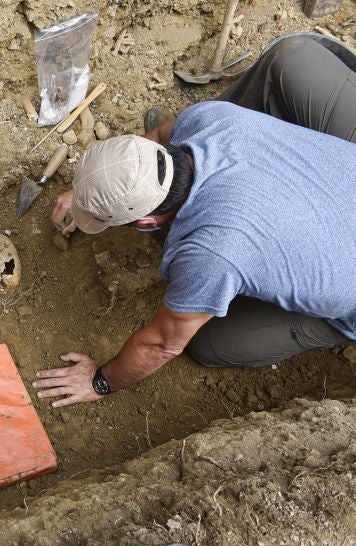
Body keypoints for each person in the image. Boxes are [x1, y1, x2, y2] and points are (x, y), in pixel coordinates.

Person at [33, 34, 355, 408]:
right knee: (291, 55)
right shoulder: (209, 119)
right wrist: (92, 187)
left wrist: (99, 381)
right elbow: (155, 136)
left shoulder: (209, 254)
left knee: (208, 343)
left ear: (150, 222)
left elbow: (161, 344)